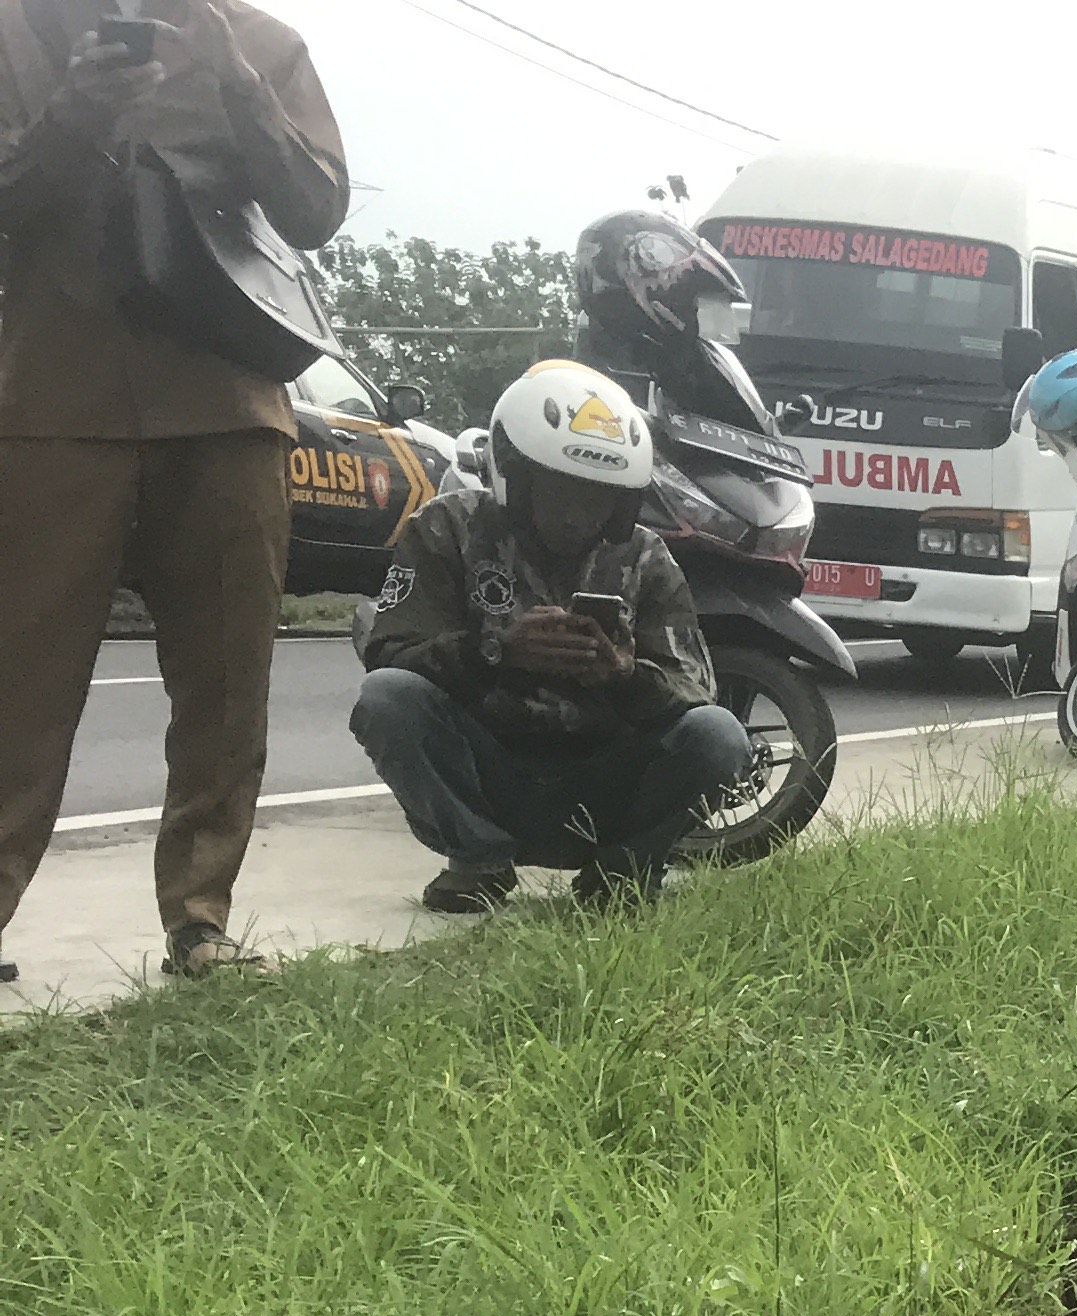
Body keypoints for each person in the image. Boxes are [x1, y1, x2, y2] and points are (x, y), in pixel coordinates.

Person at [0, 0, 347, 984]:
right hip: (54, 405)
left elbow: (316, 209)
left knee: (227, 686)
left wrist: (236, 81)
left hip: (230, 408)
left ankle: (200, 923)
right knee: (17, 685)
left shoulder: (266, 47)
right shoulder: (13, 39)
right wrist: (70, 122)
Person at [347, 360, 750, 909]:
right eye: (562, 491)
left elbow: (694, 690)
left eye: (598, 496)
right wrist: (494, 651)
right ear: (517, 475)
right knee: (387, 699)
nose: (579, 514)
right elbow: (389, 653)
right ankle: (479, 862)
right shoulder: (447, 528)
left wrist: (624, 675)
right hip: (488, 771)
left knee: (719, 734)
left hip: (606, 780)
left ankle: (622, 873)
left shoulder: (645, 557)